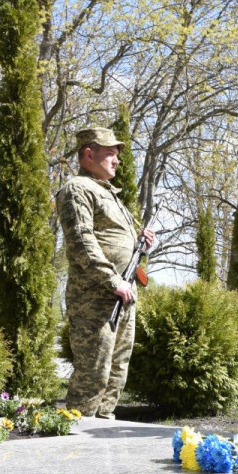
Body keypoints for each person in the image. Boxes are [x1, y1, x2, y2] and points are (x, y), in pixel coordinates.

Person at [56, 127, 156, 419]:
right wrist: (112, 281)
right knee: (94, 371)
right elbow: (81, 241)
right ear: (89, 154)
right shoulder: (77, 189)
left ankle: (102, 430)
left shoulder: (109, 195)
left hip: (123, 294)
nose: (117, 161)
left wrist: (142, 243)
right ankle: (76, 437)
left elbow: (116, 242)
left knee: (116, 370)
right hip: (96, 297)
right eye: (110, 154)